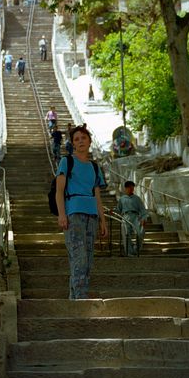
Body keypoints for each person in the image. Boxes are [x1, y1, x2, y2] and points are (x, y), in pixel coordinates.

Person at [55, 125, 108, 299]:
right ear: (73, 143)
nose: (80, 141)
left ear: (89, 141)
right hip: (74, 214)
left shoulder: (94, 166)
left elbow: (97, 195)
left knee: (88, 261)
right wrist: (62, 214)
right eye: (76, 139)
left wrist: (103, 220)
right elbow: (59, 191)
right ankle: (81, 301)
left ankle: (74, 301)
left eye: (83, 138)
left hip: (92, 215)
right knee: (79, 259)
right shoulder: (67, 162)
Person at [116, 180, 148, 256]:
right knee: (126, 234)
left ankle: (136, 249)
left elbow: (143, 210)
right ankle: (129, 252)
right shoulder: (122, 199)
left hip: (136, 217)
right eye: (130, 188)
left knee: (140, 232)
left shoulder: (137, 199)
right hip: (125, 216)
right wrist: (112, 211)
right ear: (126, 188)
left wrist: (144, 218)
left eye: (132, 188)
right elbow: (118, 210)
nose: (132, 190)